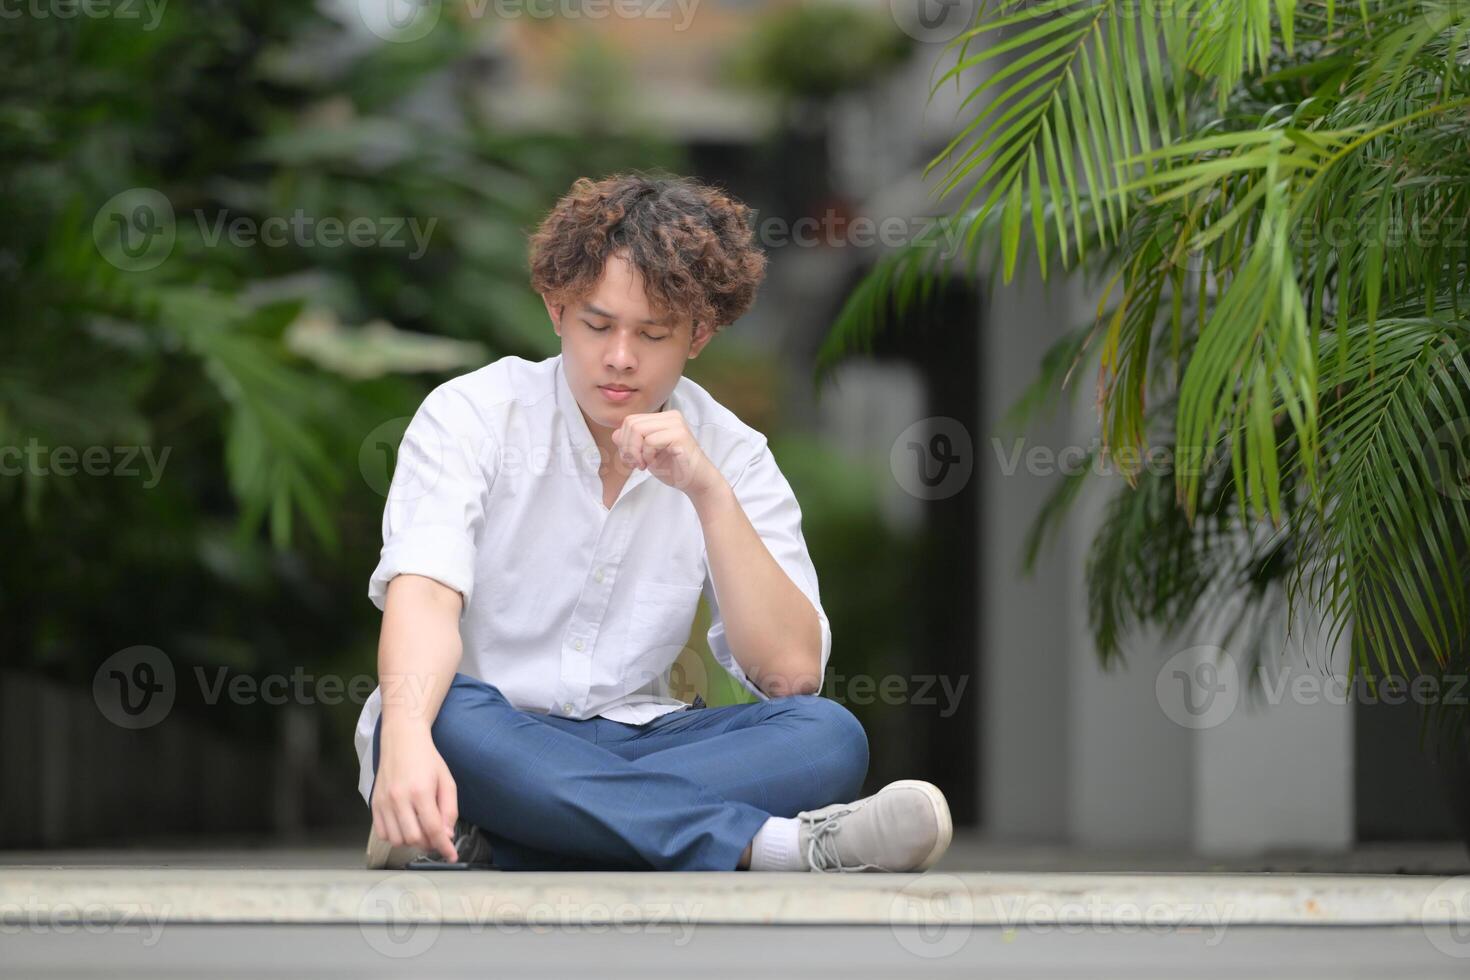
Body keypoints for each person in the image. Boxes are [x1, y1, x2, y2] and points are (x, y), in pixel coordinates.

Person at [355, 171, 952, 872]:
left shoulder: (731, 455)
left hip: (643, 738)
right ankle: (775, 848)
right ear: (555, 308)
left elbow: (790, 675)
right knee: (440, 714)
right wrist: (404, 739)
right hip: (494, 735)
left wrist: (708, 493)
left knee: (828, 737)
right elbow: (423, 595)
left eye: (654, 333)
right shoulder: (472, 417)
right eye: (597, 324)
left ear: (699, 334)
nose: (619, 358)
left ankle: (508, 833)